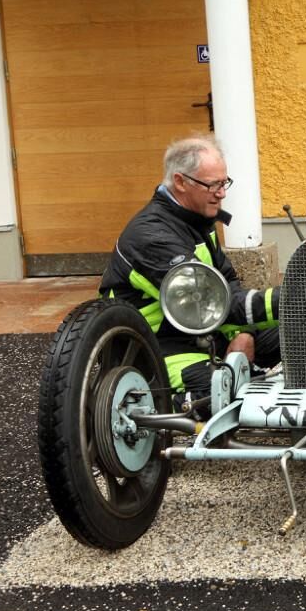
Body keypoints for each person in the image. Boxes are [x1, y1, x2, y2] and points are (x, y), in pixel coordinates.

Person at [100, 135, 280, 411]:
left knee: (301, 333)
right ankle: (152, 407)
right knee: (227, 395)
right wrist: (292, 300)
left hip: (205, 333)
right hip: (156, 350)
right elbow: (209, 302)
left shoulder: (196, 220)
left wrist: (245, 335)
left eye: (224, 183)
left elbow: (228, 285)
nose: (222, 193)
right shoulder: (151, 237)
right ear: (181, 182)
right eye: (213, 185)